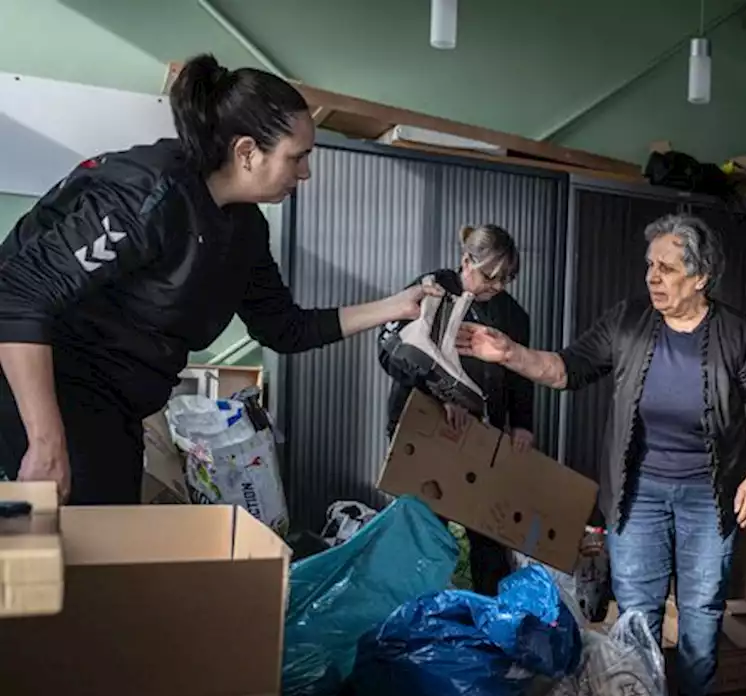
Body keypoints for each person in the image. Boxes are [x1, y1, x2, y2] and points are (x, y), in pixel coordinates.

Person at [0, 53, 427, 505]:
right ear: (247, 152)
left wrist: (399, 306)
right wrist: (46, 443)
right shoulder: (147, 195)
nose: (306, 172)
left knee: (105, 543)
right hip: (50, 386)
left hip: (119, 404)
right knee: (77, 552)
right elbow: (18, 296)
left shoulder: (245, 229)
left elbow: (283, 327)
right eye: (297, 157)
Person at [455, 213, 746, 696]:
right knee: (638, 606)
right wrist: (508, 353)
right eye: (649, 266)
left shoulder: (736, 332)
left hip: (710, 493)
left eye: (666, 268)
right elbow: (566, 369)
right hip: (640, 491)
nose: (652, 277)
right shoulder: (628, 322)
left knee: (703, 605)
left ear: (700, 277)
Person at [381, 223, 532, 595]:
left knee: (489, 533)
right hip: (426, 428)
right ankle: (416, 617)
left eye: (505, 280)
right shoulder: (430, 289)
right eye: (490, 277)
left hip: (482, 436)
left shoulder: (512, 315)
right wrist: (444, 396)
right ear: (466, 261)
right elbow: (389, 353)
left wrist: (523, 424)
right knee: (426, 531)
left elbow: (520, 375)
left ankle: (491, 620)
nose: (496, 287)